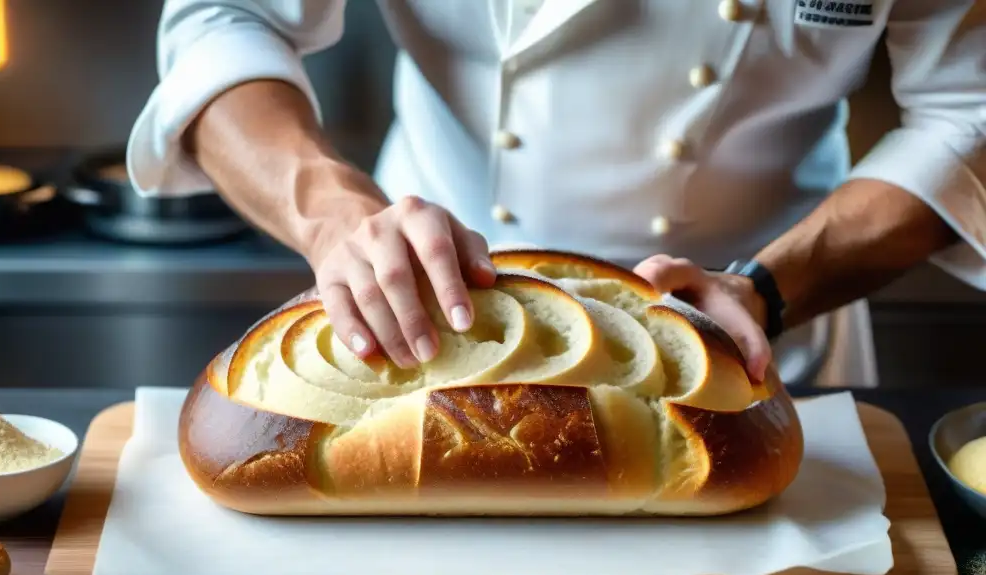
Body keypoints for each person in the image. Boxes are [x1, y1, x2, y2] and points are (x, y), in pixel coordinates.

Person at [126, 0, 986, 387]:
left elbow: (968, 111)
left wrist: (763, 289)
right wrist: (335, 216)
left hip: (754, 344)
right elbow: (227, 19)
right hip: (430, 321)